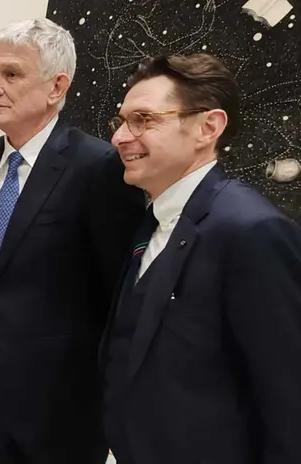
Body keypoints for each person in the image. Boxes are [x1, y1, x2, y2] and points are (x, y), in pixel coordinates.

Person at [101, 52, 301, 464]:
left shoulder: (250, 231)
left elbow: (289, 400)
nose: (120, 137)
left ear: (208, 127)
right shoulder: (152, 220)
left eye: (143, 119)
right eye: (120, 122)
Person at [0, 19, 146, 463]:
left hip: (67, 404)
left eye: (11, 74)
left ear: (56, 86)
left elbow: (119, 291)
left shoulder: (99, 166)